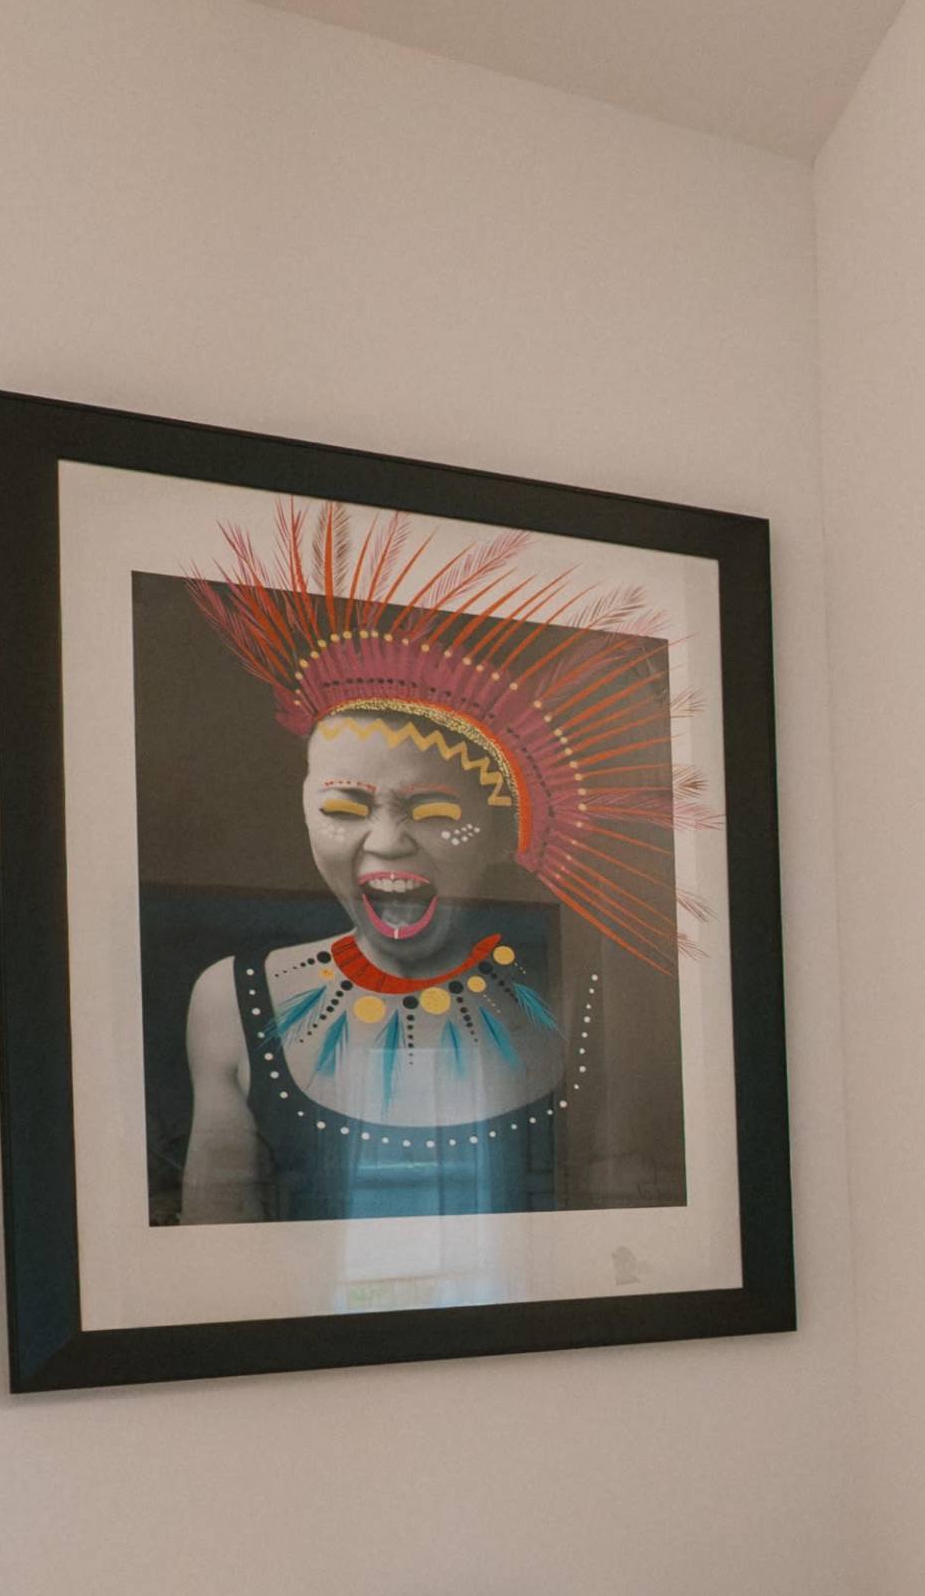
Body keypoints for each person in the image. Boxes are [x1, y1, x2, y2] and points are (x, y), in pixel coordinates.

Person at [171, 504, 695, 1224]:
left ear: (500, 829)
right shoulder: (231, 1002)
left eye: (435, 813)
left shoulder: (580, 1011)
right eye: (345, 808)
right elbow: (212, 1266)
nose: (386, 841)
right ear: (302, 808)